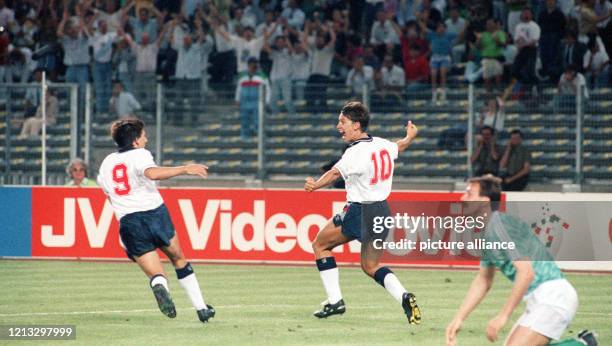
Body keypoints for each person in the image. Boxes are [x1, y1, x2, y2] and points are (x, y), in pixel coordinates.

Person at [304, 101, 421, 325]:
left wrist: (315, 186)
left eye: (343, 122)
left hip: (359, 210)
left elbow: (333, 173)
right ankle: (405, 297)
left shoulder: (355, 152)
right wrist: (410, 136)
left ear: (356, 125)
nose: (339, 126)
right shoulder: (381, 144)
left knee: (320, 245)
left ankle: (335, 301)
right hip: (381, 211)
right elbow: (400, 146)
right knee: (371, 266)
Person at [445, 174, 598, 346]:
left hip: (553, 295)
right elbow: (483, 280)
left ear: (485, 201)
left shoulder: (501, 226)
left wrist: (503, 316)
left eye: (469, 194)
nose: (462, 198)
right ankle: (584, 343)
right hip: (540, 298)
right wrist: (459, 318)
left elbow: (526, 273)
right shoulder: (487, 231)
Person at [97, 118, 215, 323]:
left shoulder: (107, 163)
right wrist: (185, 168)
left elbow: (108, 194)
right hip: (155, 214)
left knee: (156, 274)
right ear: (135, 141)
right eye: (143, 135)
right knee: (179, 260)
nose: (146, 138)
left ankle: (160, 285)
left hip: (129, 221)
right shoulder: (140, 154)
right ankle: (201, 308)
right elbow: (152, 173)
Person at [235, 57, 270, 138]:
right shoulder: (242, 75)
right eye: (251, 64)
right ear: (248, 65)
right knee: (244, 120)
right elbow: (238, 89)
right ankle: (244, 136)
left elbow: (268, 89)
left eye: (255, 63)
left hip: (257, 101)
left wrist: (266, 101)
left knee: (258, 120)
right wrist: (237, 99)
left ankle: (260, 137)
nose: (253, 65)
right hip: (244, 102)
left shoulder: (262, 76)